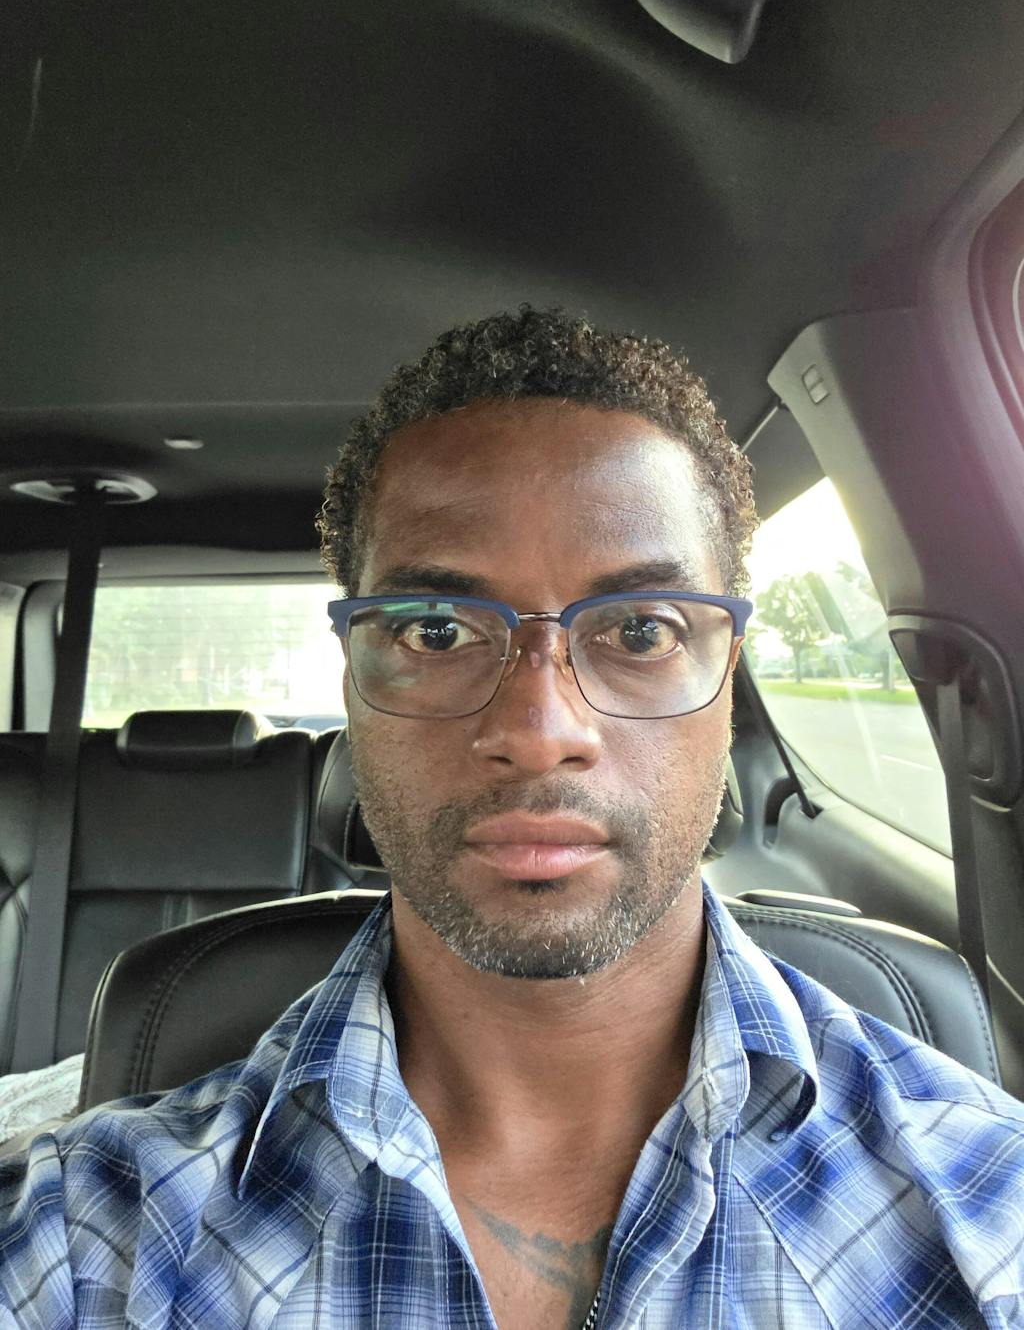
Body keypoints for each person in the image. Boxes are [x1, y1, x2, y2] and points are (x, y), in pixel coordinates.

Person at [2, 305, 1022, 1330]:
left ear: (726, 677)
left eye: (640, 630)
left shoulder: (991, 1210)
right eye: (436, 630)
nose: (539, 730)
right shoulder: (88, 1239)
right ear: (351, 679)